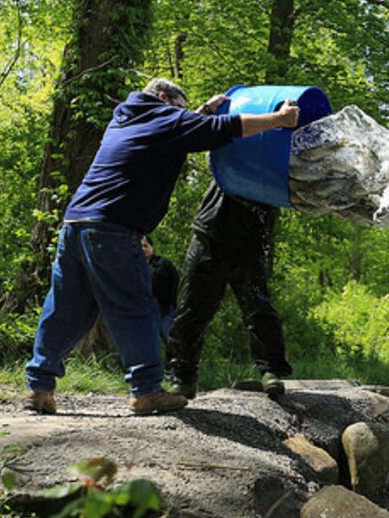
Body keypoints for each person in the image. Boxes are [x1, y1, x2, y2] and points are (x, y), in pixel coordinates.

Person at [24, 78, 300, 415]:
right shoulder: (164, 117)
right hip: (114, 228)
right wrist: (278, 120)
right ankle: (146, 391)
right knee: (136, 307)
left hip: (75, 225)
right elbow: (221, 128)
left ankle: (38, 388)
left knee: (64, 309)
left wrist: (200, 112)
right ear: (163, 97)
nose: (183, 116)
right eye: (181, 109)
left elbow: (183, 128)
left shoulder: (125, 118)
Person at [166, 179, 292, 399]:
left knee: (259, 308)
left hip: (251, 238)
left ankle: (270, 371)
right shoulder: (226, 148)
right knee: (191, 309)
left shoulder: (279, 151)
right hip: (209, 234)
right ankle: (183, 378)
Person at [141, 235, 179, 341]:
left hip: (166, 311)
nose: (143, 249)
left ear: (152, 247)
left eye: (145, 246)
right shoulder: (136, 268)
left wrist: (174, 303)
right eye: (140, 247)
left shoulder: (163, 263)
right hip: (146, 313)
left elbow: (177, 281)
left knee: (171, 340)